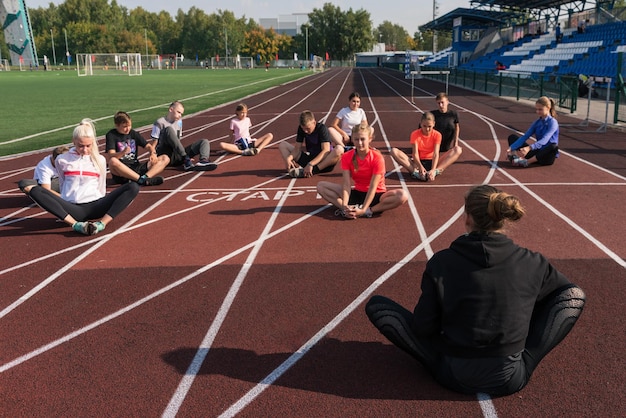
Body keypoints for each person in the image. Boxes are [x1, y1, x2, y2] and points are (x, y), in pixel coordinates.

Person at [365, 184, 586, 396]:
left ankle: (443, 358)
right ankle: (523, 355)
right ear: (502, 218)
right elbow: (565, 294)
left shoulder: (442, 262)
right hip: (510, 378)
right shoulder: (534, 261)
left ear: (468, 217)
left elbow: (423, 327)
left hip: (452, 374)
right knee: (575, 296)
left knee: (377, 307)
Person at [21, 119, 140, 236]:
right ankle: (76, 225)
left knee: (133, 186)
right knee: (35, 190)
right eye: (81, 146)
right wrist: (68, 200)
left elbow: (101, 185)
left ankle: (101, 224)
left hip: (96, 206)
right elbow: (62, 184)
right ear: (73, 141)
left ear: (93, 142)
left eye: (88, 146)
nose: (85, 149)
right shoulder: (62, 160)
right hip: (73, 208)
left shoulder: (100, 160)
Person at [317, 123, 408, 218]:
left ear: (370, 139)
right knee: (321, 186)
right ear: (352, 140)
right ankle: (349, 210)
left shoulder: (377, 158)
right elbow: (346, 184)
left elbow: (373, 186)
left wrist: (364, 209)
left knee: (402, 195)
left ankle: (370, 210)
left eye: (363, 139)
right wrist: (344, 206)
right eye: (356, 139)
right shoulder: (346, 156)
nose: (360, 143)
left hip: (377, 195)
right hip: (357, 193)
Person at [105, 111, 169, 186]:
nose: (128, 129)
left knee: (165, 158)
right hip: (122, 172)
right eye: (125, 127)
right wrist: (123, 153)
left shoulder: (133, 133)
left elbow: (149, 146)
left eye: (129, 125)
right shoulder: (111, 135)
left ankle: (144, 178)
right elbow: (111, 155)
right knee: (112, 161)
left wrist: (153, 154)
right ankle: (141, 180)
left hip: (136, 167)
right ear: (117, 125)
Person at [151, 100, 217, 171]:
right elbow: (154, 142)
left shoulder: (179, 122)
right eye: (178, 112)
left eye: (181, 114)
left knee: (204, 142)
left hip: (177, 155)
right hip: (165, 155)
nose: (180, 115)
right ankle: (185, 159)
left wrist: (183, 154)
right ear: (171, 109)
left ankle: (203, 161)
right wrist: (153, 154)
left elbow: (178, 140)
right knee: (168, 129)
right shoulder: (159, 122)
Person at [278, 110, 343, 178]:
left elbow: (326, 151)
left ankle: (313, 171)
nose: (305, 131)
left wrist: (311, 164)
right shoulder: (301, 129)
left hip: (324, 162)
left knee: (339, 149)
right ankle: (292, 170)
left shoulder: (322, 129)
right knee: (283, 145)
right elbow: (297, 149)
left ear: (314, 123)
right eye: (303, 129)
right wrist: (289, 158)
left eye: (308, 128)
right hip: (310, 159)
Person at [507, 96, 559, 167]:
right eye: (536, 109)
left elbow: (545, 139)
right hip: (537, 151)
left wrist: (529, 148)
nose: (537, 112)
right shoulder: (537, 122)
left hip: (546, 156)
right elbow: (525, 136)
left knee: (553, 146)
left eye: (540, 109)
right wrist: (511, 148)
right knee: (512, 137)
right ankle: (516, 158)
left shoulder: (553, 122)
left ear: (548, 108)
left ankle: (527, 161)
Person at [390, 112, 442, 181]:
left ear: (434, 124)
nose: (427, 129)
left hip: (432, 161)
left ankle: (434, 172)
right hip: (418, 162)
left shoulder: (437, 135)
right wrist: (420, 167)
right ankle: (415, 173)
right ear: (420, 124)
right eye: (424, 126)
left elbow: (436, 154)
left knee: (457, 150)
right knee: (394, 151)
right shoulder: (415, 134)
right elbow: (415, 154)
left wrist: (433, 169)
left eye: (429, 126)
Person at [430, 92, 463, 172]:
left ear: (447, 102)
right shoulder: (432, 115)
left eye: (442, 102)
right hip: (434, 147)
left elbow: (457, 128)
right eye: (438, 103)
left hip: (446, 146)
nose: (441, 105)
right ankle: (436, 169)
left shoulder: (453, 114)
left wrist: (455, 143)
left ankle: (437, 170)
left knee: (458, 150)